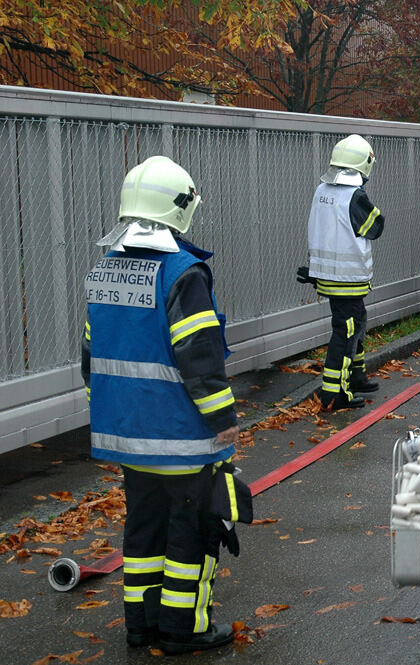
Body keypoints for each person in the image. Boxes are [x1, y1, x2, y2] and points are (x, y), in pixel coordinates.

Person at [81, 156, 239, 654]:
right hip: (183, 439)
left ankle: (141, 626)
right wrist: (225, 421)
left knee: (143, 534)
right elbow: (200, 360)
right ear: (180, 211)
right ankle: (184, 629)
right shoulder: (183, 274)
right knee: (191, 536)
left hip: (129, 439)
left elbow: (91, 358)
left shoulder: (106, 269)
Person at [306, 134, 385, 410]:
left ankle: (356, 375)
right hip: (347, 280)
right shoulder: (356, 196)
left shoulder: (321, 191)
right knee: (346, 331)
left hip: (327, 276)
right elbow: (376, 227)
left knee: (357, 321)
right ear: (364, 166)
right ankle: (335, 394)